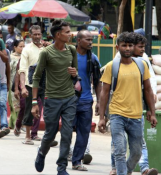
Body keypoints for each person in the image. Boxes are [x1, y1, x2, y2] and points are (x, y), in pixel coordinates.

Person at [98, 32, 157, 175]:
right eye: (124, 45)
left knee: (136, 152)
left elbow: (148, 90)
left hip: (136, 115)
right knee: (119, 150)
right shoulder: (112, 66)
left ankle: (125, 170)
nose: (127, 48)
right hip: (117, 114)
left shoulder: (141, 65)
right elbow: (104, 93)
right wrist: (101, 117)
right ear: (118, 47)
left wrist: (152, 112)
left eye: (130, 45)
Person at [32, 20, 78, 175]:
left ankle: (61, 168)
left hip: (69, 98)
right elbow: (37, 77)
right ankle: (42, 153)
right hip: (52, 99)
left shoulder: (72, 50)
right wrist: (34, 102)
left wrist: (75, 74)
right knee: (50, 133)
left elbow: (75, 74)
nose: (70, 34)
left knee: (66, 134)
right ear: (58, 35)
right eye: (67, 32)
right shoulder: (46, 52)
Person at [69, 30, 102, 171]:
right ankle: (64, 156)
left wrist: (99, 102)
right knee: (66, 130)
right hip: (69, 99)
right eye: (87, 39)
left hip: (86, 100)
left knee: (84, 132)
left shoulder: (93, 59)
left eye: (91, 40)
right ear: (78, 40)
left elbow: (98, 82)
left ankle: (77, 161)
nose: (90, 42)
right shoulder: (69, 57)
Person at [19, 25, 45, 144]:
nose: (37, 36)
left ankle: (40, 135)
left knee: (46, 109)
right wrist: (23, 87)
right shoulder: (27, 49)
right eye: (35, 34)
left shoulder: (46, 48)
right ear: (30, 35)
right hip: (30, 84)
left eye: (39, 34)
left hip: (45, 84)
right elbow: (22, 69)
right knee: (30, 109)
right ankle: (28, 136)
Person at [9, 39, 24, 129]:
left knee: (21, 104)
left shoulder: (25, 57)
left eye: (23, 46)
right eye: (20, 46)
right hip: (12, 83)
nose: (22, 48)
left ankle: (14, 124)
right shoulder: (10, 57)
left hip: (22, 83)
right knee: (14, 105)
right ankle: (16, 124)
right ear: (15, 47)